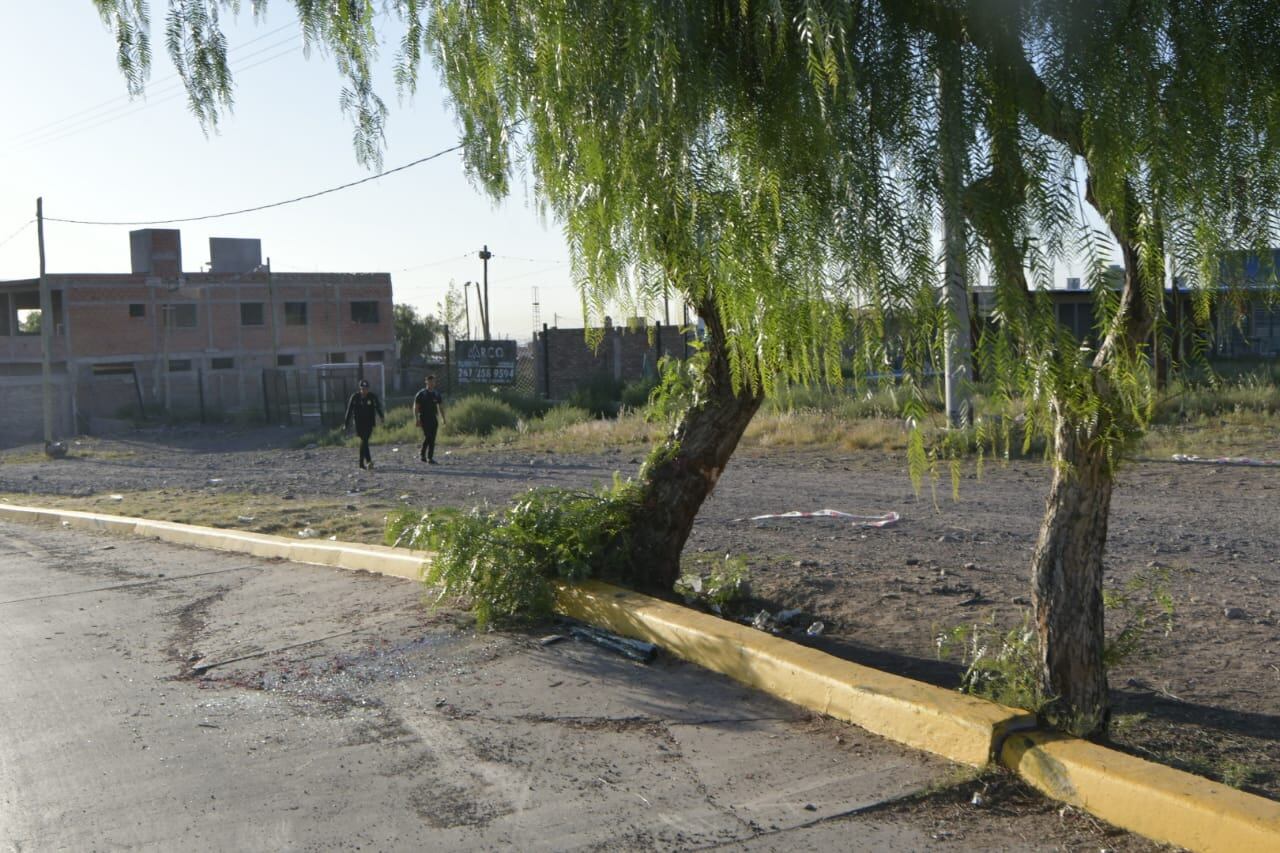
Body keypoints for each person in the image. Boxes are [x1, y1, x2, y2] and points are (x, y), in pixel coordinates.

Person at [344, 379, 385, 470]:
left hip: (369, 423)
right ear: (360, 389)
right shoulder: (355, 397)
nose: (364, 391)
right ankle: (368, 461)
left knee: (364, 441)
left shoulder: (372, 397)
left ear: (368, 389)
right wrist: (346, 423)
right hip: (359, 423)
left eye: (366, 389)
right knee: (364, 440)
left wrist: (382, 417)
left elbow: (378, 407)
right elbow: (349, 410)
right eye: (362, 389)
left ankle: (361, 463)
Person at [413, 374, 447, 464]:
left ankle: (429, 458)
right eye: (430, 381)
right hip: (424, 418)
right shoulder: (421, 394)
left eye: (433, 381)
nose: (432, 383)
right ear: (426, 382)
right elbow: (416, 407)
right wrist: (417, 419)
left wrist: (443, 418)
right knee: (428, 436)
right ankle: (422, 454)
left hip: (433, 418)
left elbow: (440, 407)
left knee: (432, 438)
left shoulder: (436, 394)